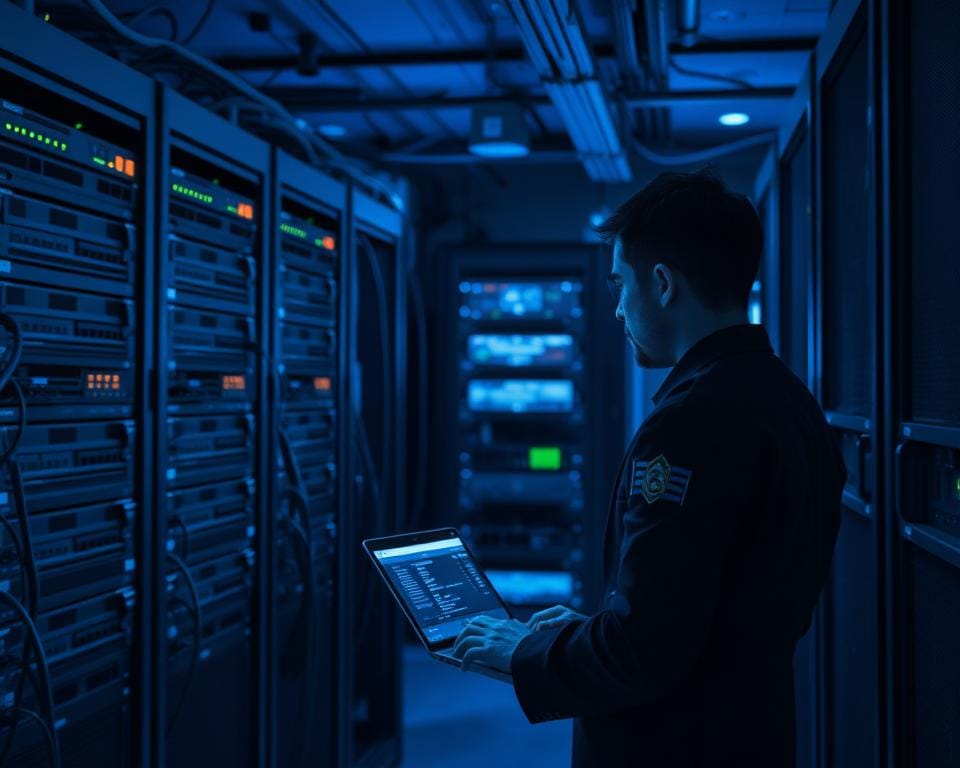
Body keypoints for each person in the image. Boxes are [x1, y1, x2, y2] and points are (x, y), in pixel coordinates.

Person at [452, 169, 846, 767]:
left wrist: (521, 652)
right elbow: (716, 613)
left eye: (619, 285)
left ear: (662, 284)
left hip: (676, 744)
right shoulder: (789, 399)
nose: (615, 310)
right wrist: (586, 631)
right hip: (748, 731)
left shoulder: (691, 421)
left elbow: (644, 652)